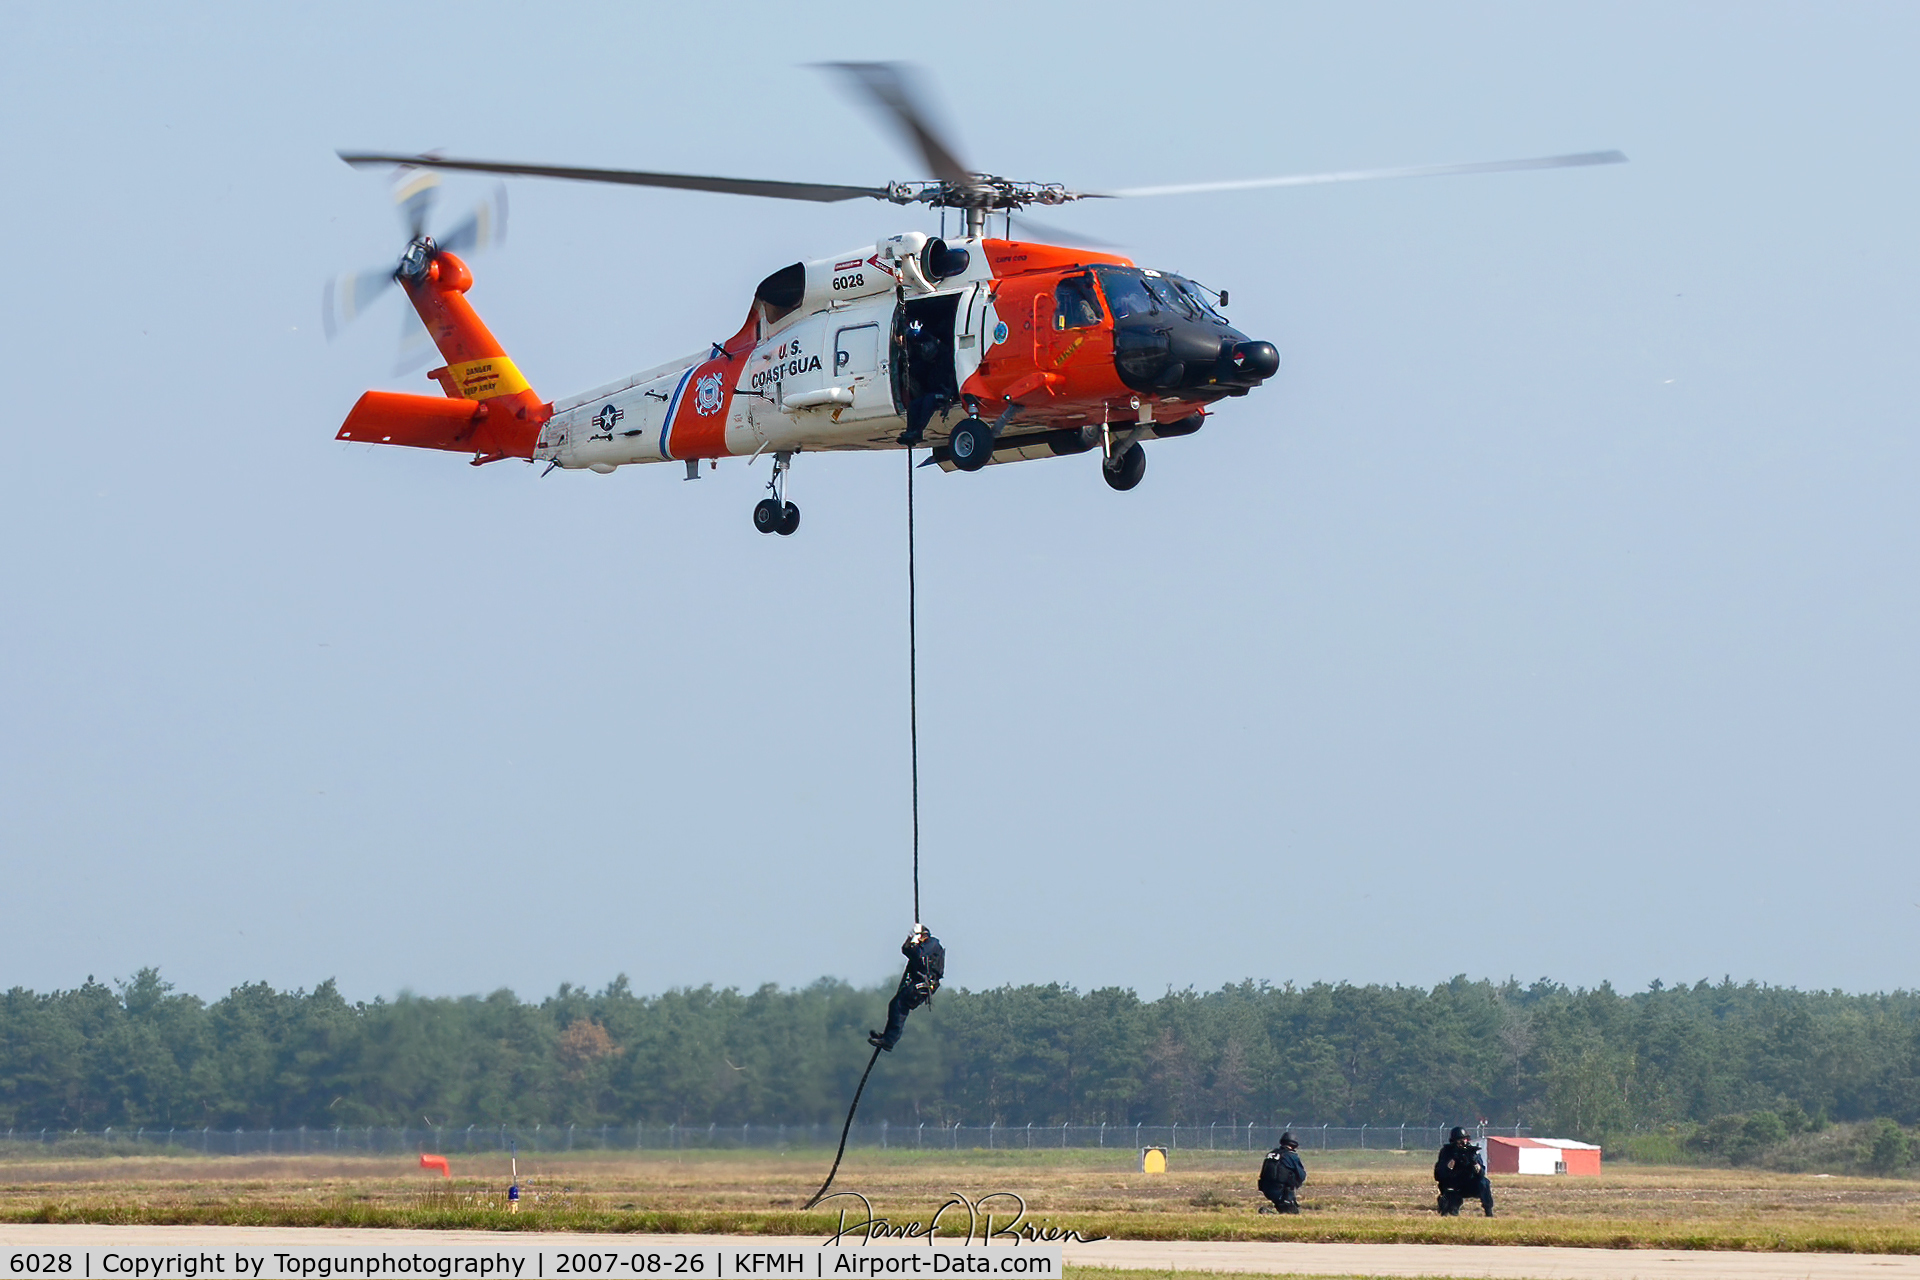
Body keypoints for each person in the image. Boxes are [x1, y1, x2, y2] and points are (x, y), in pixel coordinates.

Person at [869, 923, 944, 1051]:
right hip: (916, 984)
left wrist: (916, 940)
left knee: (900, 1006)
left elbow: (919, 954)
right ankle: (887, 1036)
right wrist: (911, 939)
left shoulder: (932, 944)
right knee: (895, 1004)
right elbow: (907, 951)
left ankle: (889, 1040)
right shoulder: (923, 945)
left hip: (923, 985)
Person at [1434, 1126, 1494, 1217]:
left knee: (1484, 1182)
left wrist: (1474, 1163)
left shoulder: (1472, 1151)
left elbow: (1481, 1173)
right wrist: (1451, 1163)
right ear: (1454, 1141)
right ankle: (1447, 1206)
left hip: (1469, 1184)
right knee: (1451, 1211)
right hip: (1454, 1185)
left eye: (1465, 1139)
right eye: (1459, 1140)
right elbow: (1439, 1175)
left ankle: (1488, 1211)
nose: (1463, 1142)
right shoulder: (1447, 1152)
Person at [1257, 1131, 1306, 1213]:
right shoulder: (1291, 1156)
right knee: (1292, 1214)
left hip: (1266, 1189)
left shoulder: (1271, 1154)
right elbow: (1301, 1175)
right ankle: (1267, 1213)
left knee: (1283, 1209)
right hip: (1282, 1191)